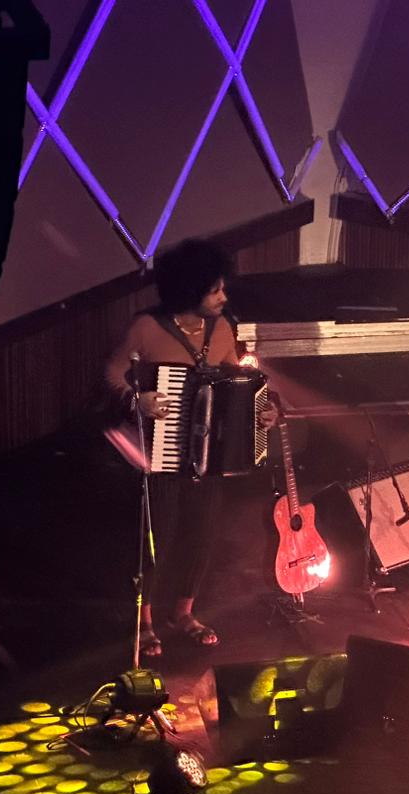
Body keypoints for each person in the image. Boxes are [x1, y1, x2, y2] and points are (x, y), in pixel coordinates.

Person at [104, 238, 274, 655]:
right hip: (161, 453)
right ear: (188, 289)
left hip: (210, 457)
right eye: (215, 290)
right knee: (156, 536)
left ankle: (183, 613)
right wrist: (136, 400)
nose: (223, 297)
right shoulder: (146, 327)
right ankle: (144, 623)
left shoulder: (223, 328)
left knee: (202, 534)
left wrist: (262, 413)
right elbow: (112, 373)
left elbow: (240, 382)